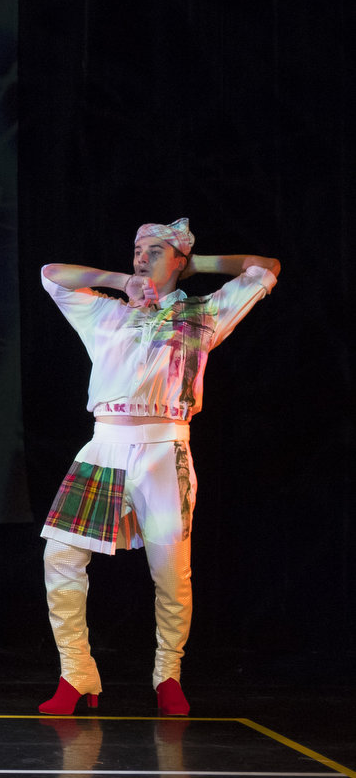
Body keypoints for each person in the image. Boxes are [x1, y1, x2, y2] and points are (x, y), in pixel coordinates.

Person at [36, 218, 279, 716]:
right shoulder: (104, 312)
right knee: (60, 556)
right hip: (104, 448)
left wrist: (195, 265)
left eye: (153, 250)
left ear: (177, 261)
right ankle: (77, 673)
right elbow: (50, 273)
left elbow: (266, 267)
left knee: (171, 573)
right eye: (137, 249)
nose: (141, 257)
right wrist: (121, 281)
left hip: (165, 453)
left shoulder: (204, 314)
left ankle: (168, 674)